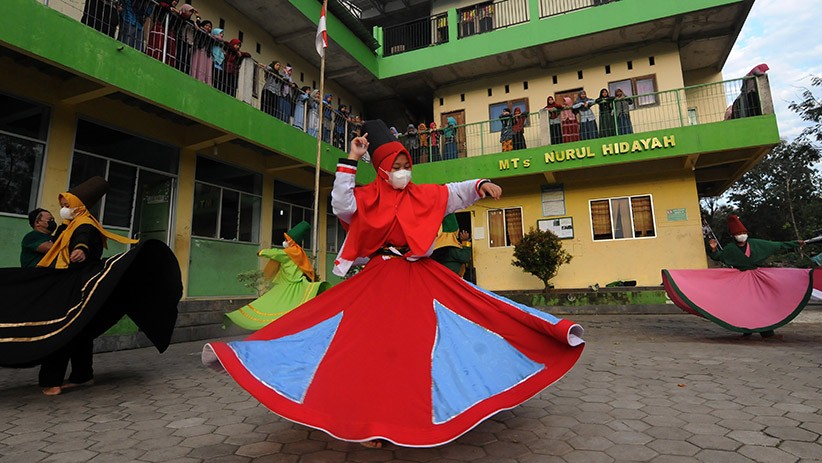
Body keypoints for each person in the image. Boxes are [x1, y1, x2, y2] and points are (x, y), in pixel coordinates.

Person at [203, 119, 584, 448]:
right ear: (382, 168)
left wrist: (482, 183)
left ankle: (441, 405)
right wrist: (351, 159)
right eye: (397, 165)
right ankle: (367, 422)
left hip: (420, 276)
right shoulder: (365, 197)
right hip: (377, 280)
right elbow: (340, 205)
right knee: (363, 349)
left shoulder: (424, 195)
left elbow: (455, 191)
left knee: (465, 323)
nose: (404, 170)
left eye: (407, 163)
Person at [0, 177, 182, 396]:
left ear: (77, 206)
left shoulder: (84, 224)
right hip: (70, 282)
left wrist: (81, 249)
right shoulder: (69, 226)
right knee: (79, 331)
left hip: (78, 284)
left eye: (67, 205)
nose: (63, 210)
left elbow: (83, 239)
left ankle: (52, 380)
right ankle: (82, 375)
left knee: (62, 327)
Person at [663, 214, 810, 340]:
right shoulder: (730, 249)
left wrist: (795, 244)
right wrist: (713, 249)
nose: (741, 235)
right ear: (733, 236)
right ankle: (746, 330)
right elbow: (718, 257)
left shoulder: (756, 244)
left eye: (742, 232)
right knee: (744, 304)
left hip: (757, 277)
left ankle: (767, 332)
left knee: (761, 304)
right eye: (738, 233)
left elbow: (778, 245)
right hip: (741, 280)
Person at [224, 221, 330, 331]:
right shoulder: (299, 252)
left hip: (287, 285)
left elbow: (275, 253)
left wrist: (261, 252)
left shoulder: (289, 253)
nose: (284, 242)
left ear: (291, 241)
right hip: (298, 284)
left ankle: (246, 320)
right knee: (293, 308)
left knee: (269, 305)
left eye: (286, 240)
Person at [190, 19, 214, 85]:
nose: (208, 27)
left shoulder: (210, 35)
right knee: (197, 62)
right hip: (199, 49)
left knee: (204, 66)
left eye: (210, 27)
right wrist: (198, 18)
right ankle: (194, 76)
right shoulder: (200, 30)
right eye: (206, 25)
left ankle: (203, 80)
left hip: (206, 52)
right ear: (203, 25)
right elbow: (196, 25)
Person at [210, 28, 226, 92]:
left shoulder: (221, 43)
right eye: (220, 33)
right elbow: (216, 38)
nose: (221, 35)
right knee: (213, 74)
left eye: (222, 33)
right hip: (214, 59)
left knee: (218, 77)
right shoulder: (213, 38)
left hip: (220, 62)